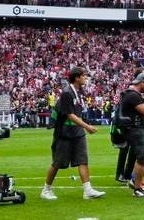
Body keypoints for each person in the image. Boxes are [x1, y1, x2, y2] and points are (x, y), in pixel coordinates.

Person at [41, 66, 105, 201]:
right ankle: (46, 190)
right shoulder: (67, 93)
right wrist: (87, 126)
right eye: (84, 76)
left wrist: (84, 126)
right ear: (77, 77)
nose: (86, 78)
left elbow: (77, 112)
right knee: (58, 162)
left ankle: (88, 190)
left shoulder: (78, 92)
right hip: (64, 133)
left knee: (82, 160)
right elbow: (69, 115)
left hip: (77, 132)